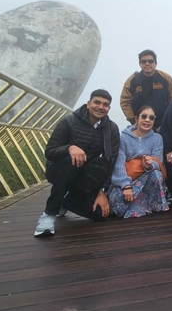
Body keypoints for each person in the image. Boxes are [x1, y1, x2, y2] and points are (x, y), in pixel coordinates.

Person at [34, 89, 120, 237]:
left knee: (99, 214)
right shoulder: (69, 121)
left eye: (105, 105)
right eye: (97, 102)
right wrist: (69, 148)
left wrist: (102, 191)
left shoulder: (111, 129)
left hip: (86, 176)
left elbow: (110, 161)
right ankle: (49, 214)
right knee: (71, 161)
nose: (100, 107)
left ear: (109, 108)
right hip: (60, 170)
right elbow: (50, 151)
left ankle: (65, 201)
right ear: (88, 104)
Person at [106, 105, 169, 218]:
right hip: (128, 177)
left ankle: (146, 205)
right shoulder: (123, 138)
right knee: (119, 203)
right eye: (144, 116)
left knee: (156, 174)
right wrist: (125, 185)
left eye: (151, 118)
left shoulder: (157, 138)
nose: (147, 120)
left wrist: (150, 165)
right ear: (136, 119)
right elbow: (119, 163)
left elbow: (158, 162)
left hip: (146, 175)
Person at [120, 49, 172, 127]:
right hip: (140, 124)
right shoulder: (132, 80)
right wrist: (133, 119)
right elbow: (125, 101)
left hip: (162, 123)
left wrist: (169, 119)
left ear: (155, 63)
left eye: (150, 61)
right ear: (140, 64)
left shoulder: (166, 78)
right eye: (144, 62)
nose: (147, 64)